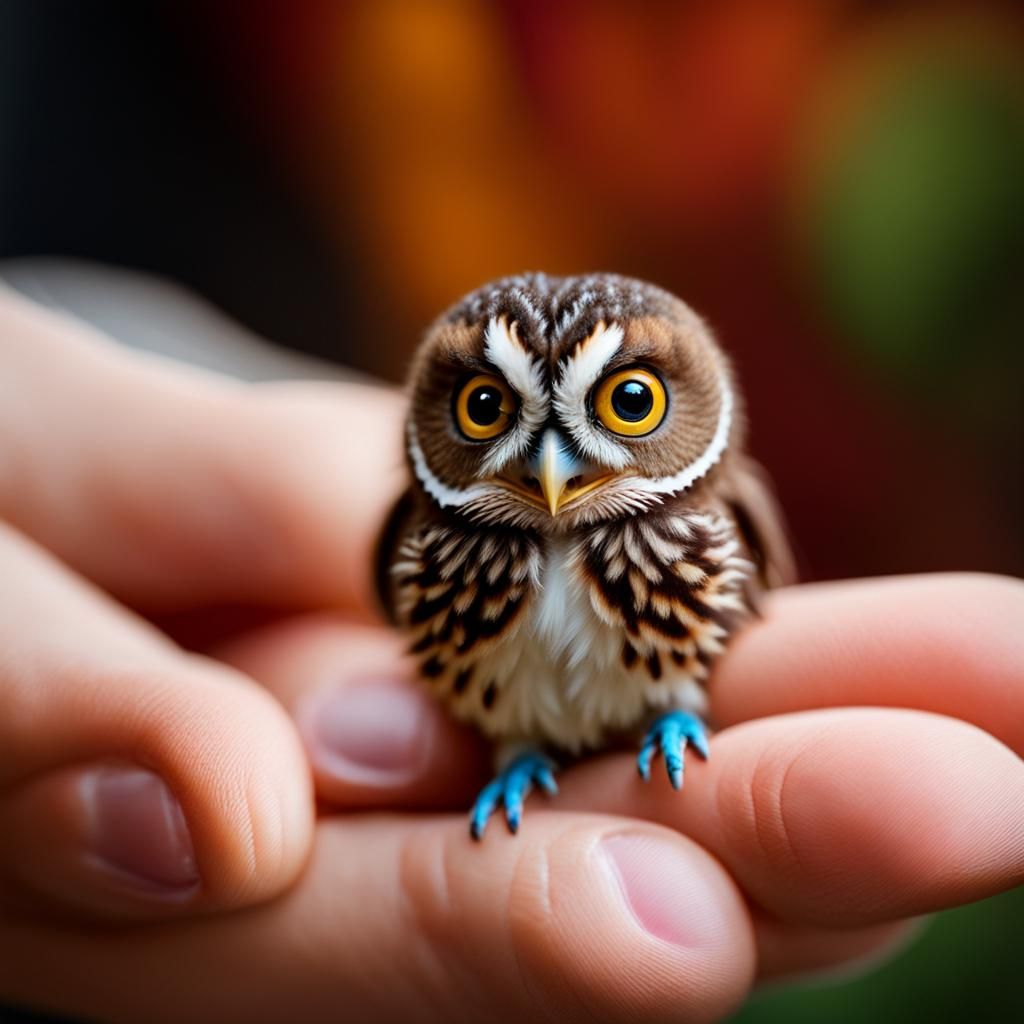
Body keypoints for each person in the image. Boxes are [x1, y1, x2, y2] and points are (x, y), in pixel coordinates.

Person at [0, 274, 1022, 1024]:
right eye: (488, 412)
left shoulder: (715, 520)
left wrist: (678, 702)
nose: (549, 465)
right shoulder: (419, 536)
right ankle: (518, 751)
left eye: (628, 407)